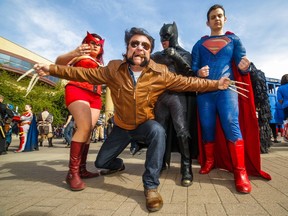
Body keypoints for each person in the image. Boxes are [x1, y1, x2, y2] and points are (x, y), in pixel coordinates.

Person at [33, 27, 230, 212]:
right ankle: (117, 164)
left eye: (145, 46)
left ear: (150, 51)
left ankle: (151, 187)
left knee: (157, 131)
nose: (139, 49)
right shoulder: (113, 69)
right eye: (135, 44)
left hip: (144, 125)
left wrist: (216, 84)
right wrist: (51, 69)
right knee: (102, 162)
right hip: (121, 127)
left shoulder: (160, 72)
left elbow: (188, 82)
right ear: (127, 49)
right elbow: (82, 73)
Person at [191, 4, 271, 194]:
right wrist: (198, 72)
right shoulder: (198, 44)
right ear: (207, 22)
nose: (216, 19)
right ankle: (209, 161)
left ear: (224, 19)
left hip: (228, 88)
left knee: (230, 122)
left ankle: (240, 171)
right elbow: (193, 68)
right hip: (205, 91)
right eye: (213, 17)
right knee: (207, 126)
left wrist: (245, 67)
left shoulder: (234, 40)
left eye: (219, 16)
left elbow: (242, 66)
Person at [55, 32, 105, 191]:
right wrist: (74, 52)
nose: (96, 45)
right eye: (92, 42)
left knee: (88, 130)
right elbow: (58, 63)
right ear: (85, 43)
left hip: (95, 96)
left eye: (99, 44)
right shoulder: (79, 57)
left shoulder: (99, 63)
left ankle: (81, 169)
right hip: (77, 90)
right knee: (83, 127)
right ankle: (72, 173)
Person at [151, 22, 196, 187]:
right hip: (161, 97)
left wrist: (176, 58)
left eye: (167, 36)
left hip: (178, 96)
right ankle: (160, 162)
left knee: (182, 131)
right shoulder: (157, 55)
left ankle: (186, 167)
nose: (163, 39)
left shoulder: (185, 54)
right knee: (159, 131)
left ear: (174, 35)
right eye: (161, 36)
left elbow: (190, 73)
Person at [277, 74, 288, 142]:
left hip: (286, 106)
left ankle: (287, 136)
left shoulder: (280, 88)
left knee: (286, 122)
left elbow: (280, 100)